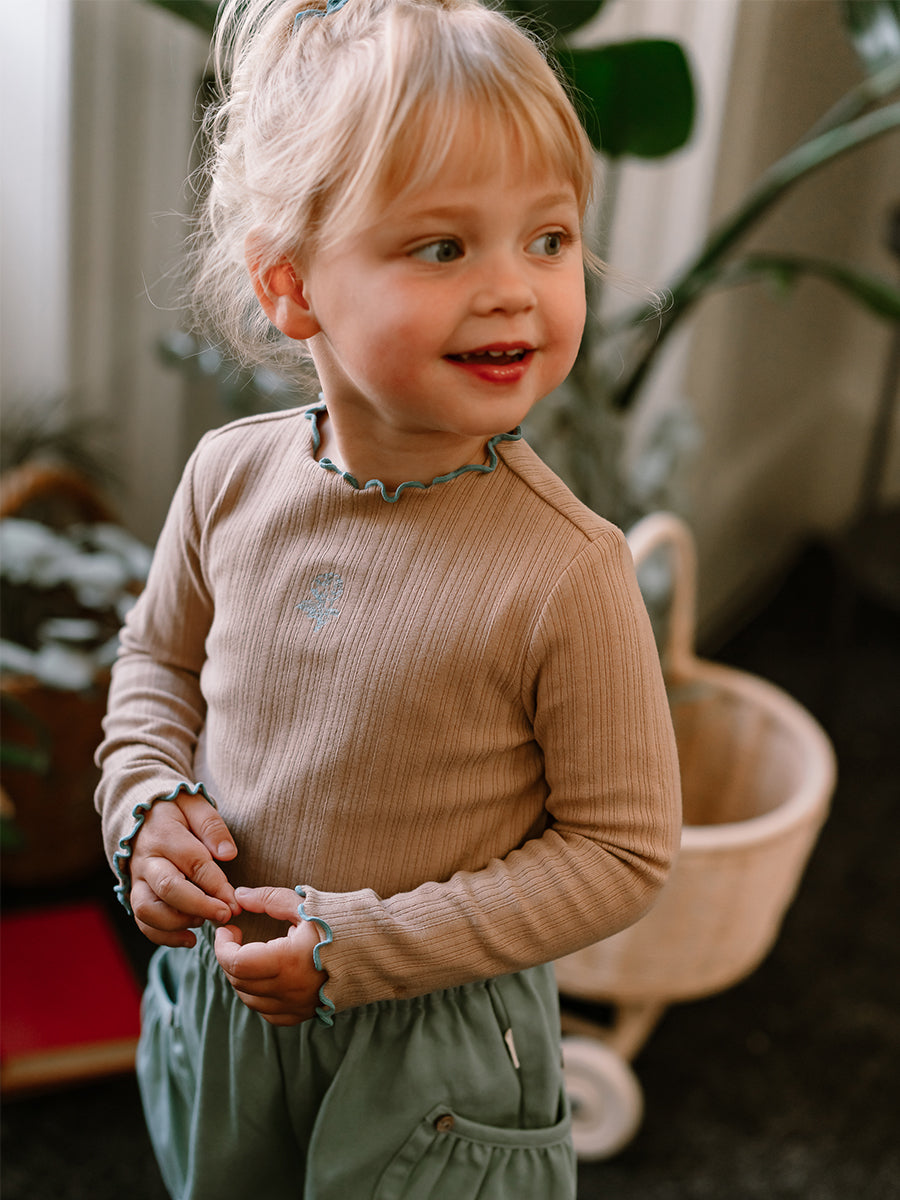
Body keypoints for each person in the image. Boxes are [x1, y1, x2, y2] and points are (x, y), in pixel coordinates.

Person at [95, 1, 681, 1196]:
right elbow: (158, 663)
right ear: (292, 286)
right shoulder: (227, 478)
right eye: (443, 248)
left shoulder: (568, 571)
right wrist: (144, 801)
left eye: (550, 238)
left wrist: (371, 946)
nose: (514, 289)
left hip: (433, 1065)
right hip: (233, 1012)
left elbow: (621, 850)